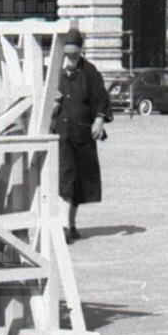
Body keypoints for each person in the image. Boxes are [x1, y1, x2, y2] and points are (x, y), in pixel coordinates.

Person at [52, 26, 113, 240]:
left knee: (79, 182)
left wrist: (99, 120)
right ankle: (63, 227)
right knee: (65, 178)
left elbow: (102, 99)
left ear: (81, 51)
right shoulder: (53, 72)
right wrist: (53, 103)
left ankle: (71, 223)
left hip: (83, 134)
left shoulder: (90, 71)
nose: (71, 59)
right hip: (62, 134)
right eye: (67, 55)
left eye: (75, 55)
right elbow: (43, 104)